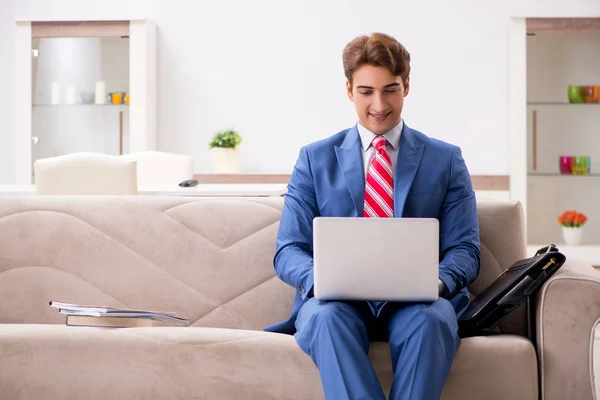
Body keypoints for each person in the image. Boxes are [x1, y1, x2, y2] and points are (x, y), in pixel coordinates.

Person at [265, 32, 481, 400]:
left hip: (418, 304)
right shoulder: (314, 160)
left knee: (433, 321)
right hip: (337, 303)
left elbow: (465, 250)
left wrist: (436, 282)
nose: (379, 104)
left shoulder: (445, 159)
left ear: (407, 86)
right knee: (325, 318)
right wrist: (323, 281)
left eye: (390, 90)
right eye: (366, 91)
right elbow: (288, 250)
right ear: (349, 90)